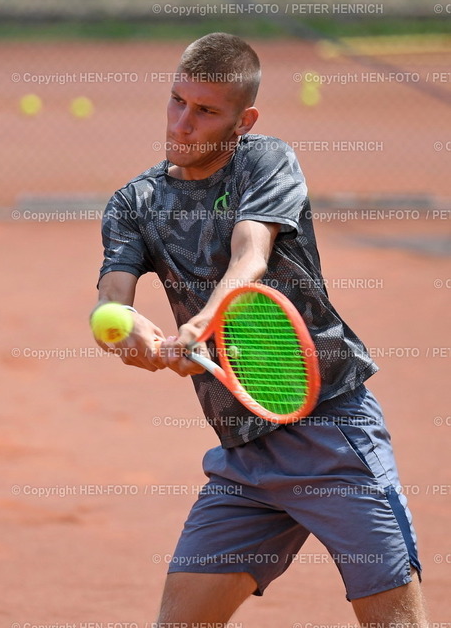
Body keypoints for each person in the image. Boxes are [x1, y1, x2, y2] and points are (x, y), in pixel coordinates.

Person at [92, 32, 428, 625]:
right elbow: (110, 300)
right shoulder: (134, 202)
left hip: (329, 430)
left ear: (243, 119)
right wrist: (126, 335)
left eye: (205, 111)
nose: (183, 122)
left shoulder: (264, 161)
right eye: (176, 101)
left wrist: (199, 323)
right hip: (244, 453)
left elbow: (250, 256)